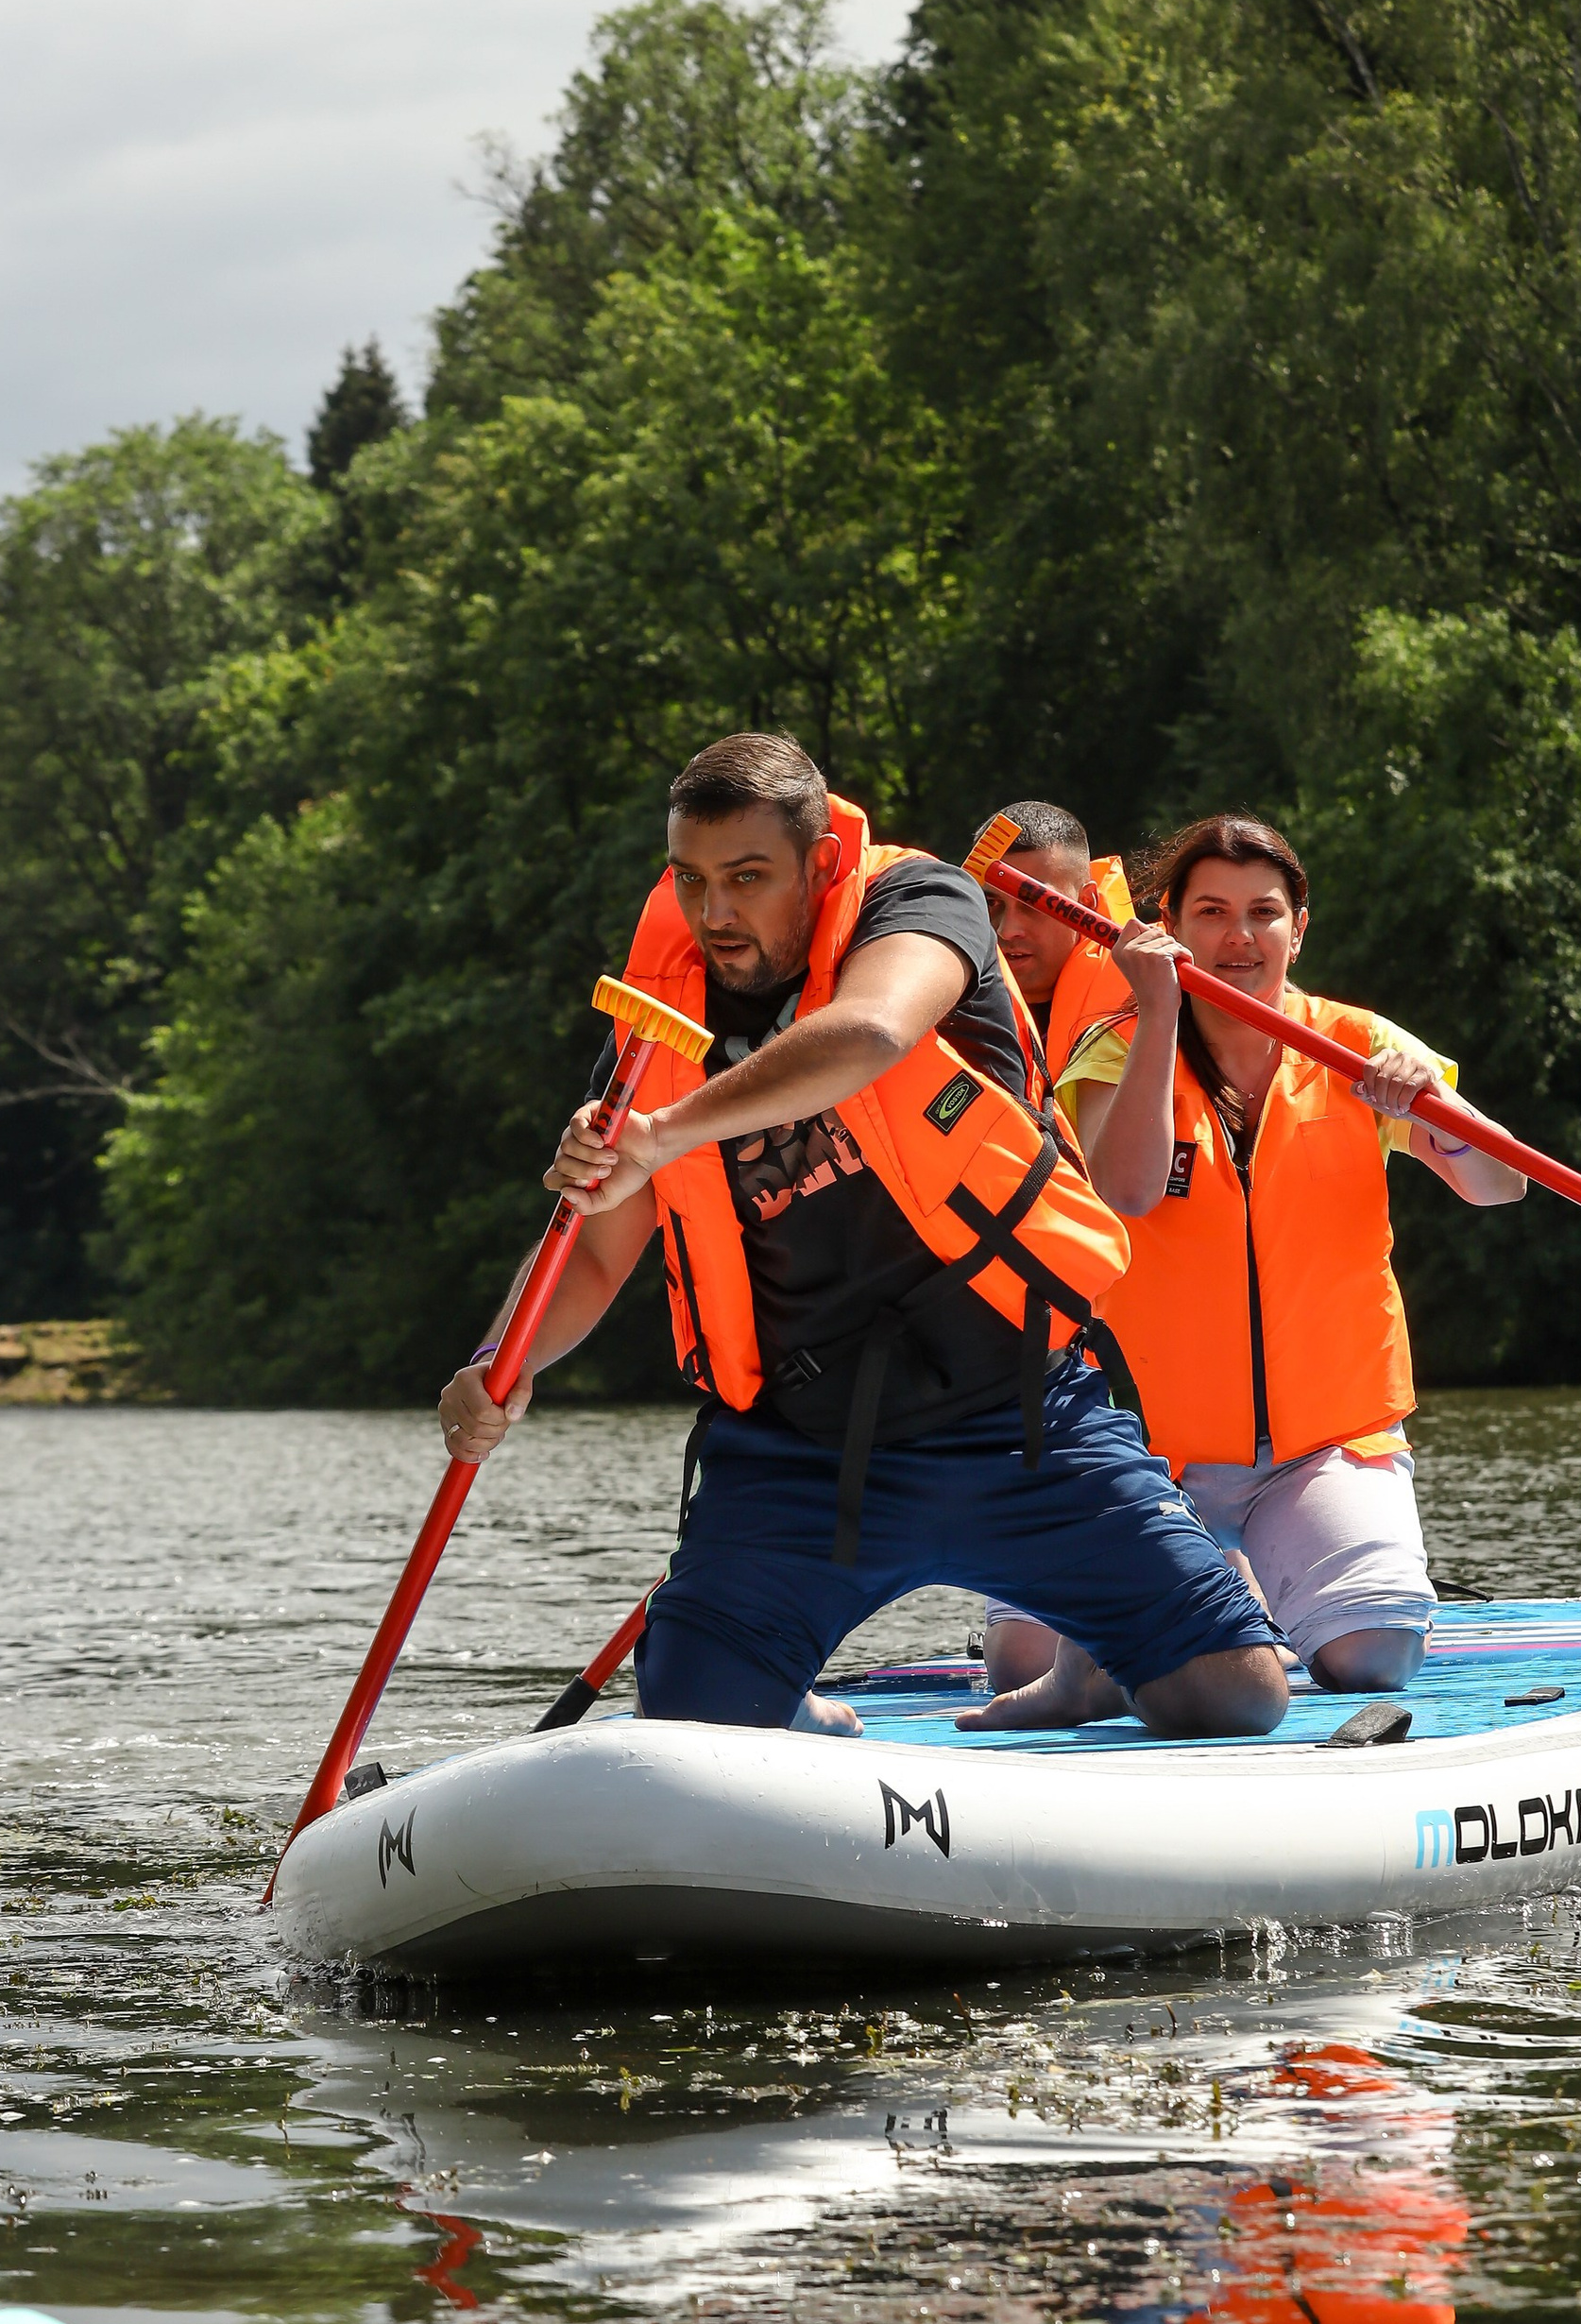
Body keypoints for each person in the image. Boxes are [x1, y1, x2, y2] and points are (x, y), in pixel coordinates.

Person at [436, 732, 1287, 1740]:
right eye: (693, 880)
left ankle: (1114, 1639)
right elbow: (594, 1243)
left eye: (748, 879)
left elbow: (874, 1031)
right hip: (796, 1450)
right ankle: (799, 1710)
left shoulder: (921, 903)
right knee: (695, 1726)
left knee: (1233, 1697)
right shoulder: (661, 1001)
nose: (716, 914)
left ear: (820, 864)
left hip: (1018, 1416)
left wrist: (660, 1138)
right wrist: (502, 1355)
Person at [966, 811, 1524, 1730]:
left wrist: (1432, 1117)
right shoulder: (1117, 1040)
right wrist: (1157, 1015)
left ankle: (1244, 1592)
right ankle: (1212, 1589)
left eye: (1263, 913)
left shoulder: (1357, 1040)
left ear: (1297, 929)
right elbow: (1125, 1191)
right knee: (1018, 1656)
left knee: (1372, 1658)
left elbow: (1499, 1186)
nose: (1238, 938)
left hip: (1317, 1442)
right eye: (1211, 913)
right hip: (1146, 1452)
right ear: (1170, 929)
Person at [973, 799, 1136, 1102]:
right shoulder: (936, 1003)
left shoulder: (1149, 1004)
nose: (1007, 930)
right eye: (992, 903)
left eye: (1035, 903)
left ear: (1087, 904)